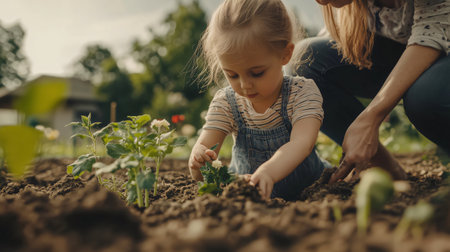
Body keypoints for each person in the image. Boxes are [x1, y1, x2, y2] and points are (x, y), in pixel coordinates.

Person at [293, 0, 450, 184]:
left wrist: (374, 113)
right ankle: (383, 168)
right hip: (405, 50)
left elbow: (434, 30)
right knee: (304, 62)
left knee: (426, 97)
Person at [188, 0, 329, 201]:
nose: (245, 85)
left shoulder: (302, 93)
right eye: (233, 75)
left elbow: (302, 143)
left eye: (257, 73)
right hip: (248, 198)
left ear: (285, 54)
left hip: (312, 192)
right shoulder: (226, 103)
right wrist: (199, 161)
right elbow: (205, 153)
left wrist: (268, 172)